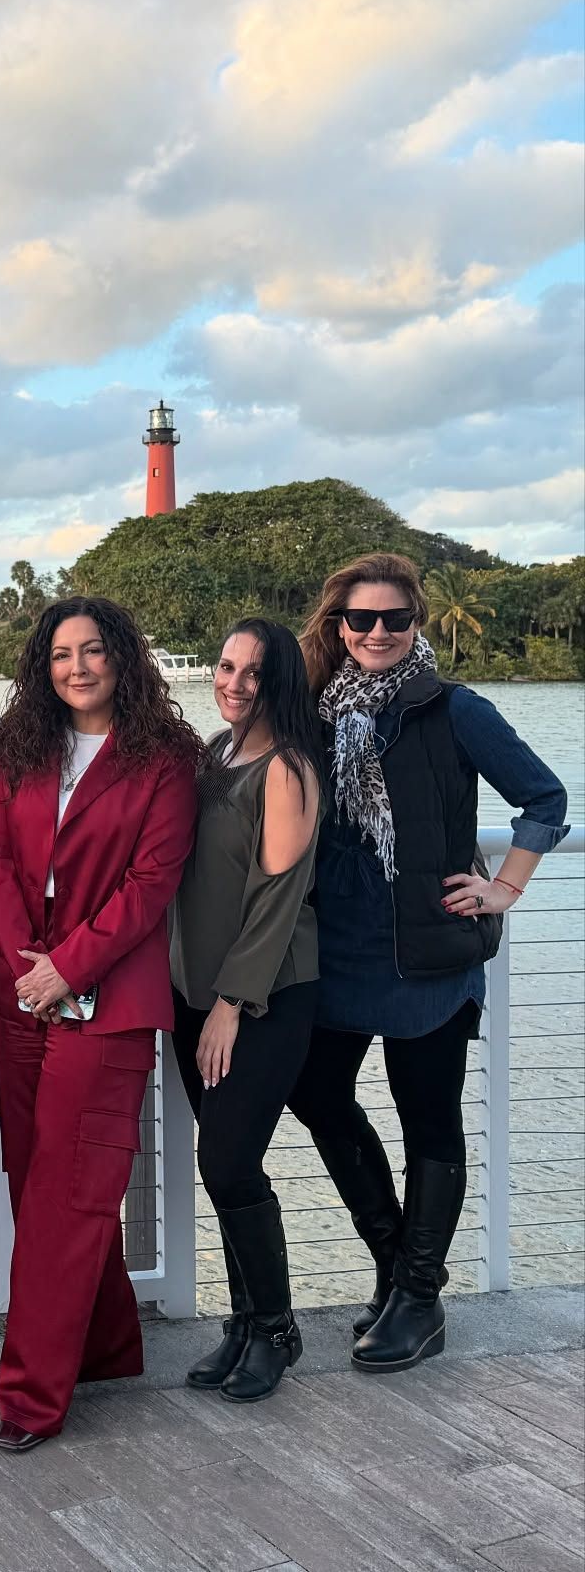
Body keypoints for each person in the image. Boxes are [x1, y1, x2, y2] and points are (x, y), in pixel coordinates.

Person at [290, 552, 569, 1374]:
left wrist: (504, 886)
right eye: (361, 619)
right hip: (335, 948)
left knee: (430, 1120)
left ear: (417, 624)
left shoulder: (453, 709)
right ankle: (391, 1260)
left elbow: (545, 798)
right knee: (314, 1091)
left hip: (429, 957)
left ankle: (419, 1295)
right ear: (339, 625)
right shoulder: (313, 711)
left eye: (395, 619)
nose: (378, 632)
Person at [0, 597, 200, 1451]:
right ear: (42, 665)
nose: (78, 667)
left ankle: (29, 1396)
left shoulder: (167, 757)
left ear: (123, 658)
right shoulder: (18, 743)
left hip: (108, 995)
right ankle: (103, 1345)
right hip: (21, 987)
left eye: (94, 650)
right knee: (37, 1175)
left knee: (73, 1188)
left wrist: (70, 965)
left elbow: (152, 881)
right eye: (61, 653)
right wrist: (32, 963)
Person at [169, 620, 322, 1403]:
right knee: (225, 1163)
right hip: (193, 992)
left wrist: (231, 1002)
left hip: (264, 996)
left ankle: (276, 1328)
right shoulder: (212, 755)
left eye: (252, 672)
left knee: (228, 1161)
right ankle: (242, 1320)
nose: (233, 681)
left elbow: (276, 899)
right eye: (226, 666)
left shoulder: (287, 768)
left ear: (279, 682)